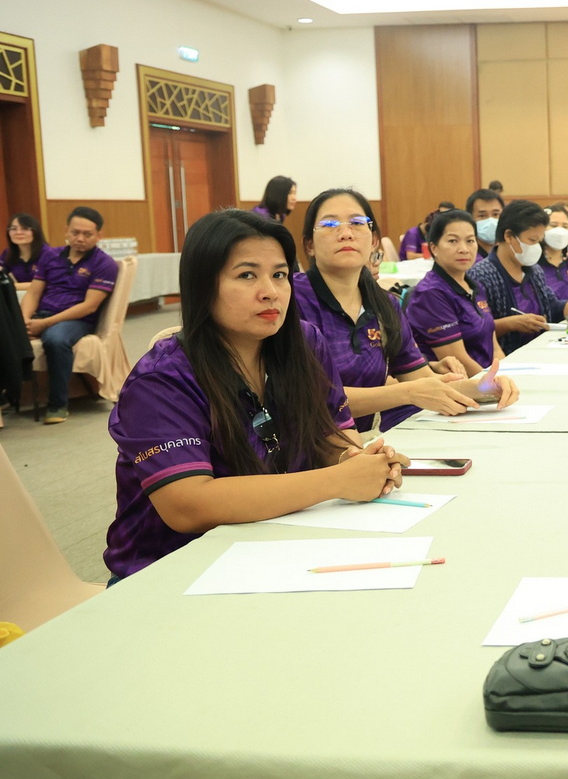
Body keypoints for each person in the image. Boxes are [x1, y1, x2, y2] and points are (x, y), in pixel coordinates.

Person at [103, 209, 410, 582]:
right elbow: (188, 505)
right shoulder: (162, 380)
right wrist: (337, 480)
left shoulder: (305, 343)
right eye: (247, 275)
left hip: (278, 546)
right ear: (203, 285)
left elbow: (328, 432)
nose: (271, 292)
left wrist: (355, 460)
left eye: (279, 275)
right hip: (173, 572)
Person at [292, 189, 515, 435]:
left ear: (373, 240)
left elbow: (422, 381)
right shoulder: (292, 300)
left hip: (367, 441)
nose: (346, 233)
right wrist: (406, 393)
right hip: (306, 446)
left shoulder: (384, 305)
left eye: (357, 223)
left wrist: (482, 389)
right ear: (309, 245)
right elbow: (310, 399)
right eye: (329, 224)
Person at [473, 200, 568, 354]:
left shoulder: (534, 271)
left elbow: (553, 307)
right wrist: (511, 324)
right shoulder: (481, 275)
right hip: (506, 357)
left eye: (539, 241)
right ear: (509, 236)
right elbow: (475, 329)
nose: (536, 247)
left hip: (541, 351)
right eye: (532, 240)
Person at [20, 206, 118, 424]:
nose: (80, 238)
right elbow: (33, 293)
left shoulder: (105, 264)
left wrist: (45, 324)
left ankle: (58, 404)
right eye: (75, 232)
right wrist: (23, 320)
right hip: (43, 314)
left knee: (56, 339)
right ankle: (9, 397)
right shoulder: (50, 256)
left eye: (87, 234)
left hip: (77, 320)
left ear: (99, 235)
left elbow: (89, 306)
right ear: (66, 230)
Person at [405, 209, 504, 375]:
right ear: (434, 248)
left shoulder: (475, 286)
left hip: (488, 379)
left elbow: (495, 349)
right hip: (458, 384)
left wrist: (507, 375)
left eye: (470, 241)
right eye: (453, 241)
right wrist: (492, 384)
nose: (464, 249)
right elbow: (459, 361)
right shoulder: (430, 294)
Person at [1, 213, 49, 290]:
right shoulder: (7, 253)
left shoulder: (48, 254)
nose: (18, 232)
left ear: (35, 231)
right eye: (14, 229)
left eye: (25, 228)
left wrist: (12, 287)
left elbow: (48, 284)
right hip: (18, 295)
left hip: (45, 295)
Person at [465, 188, 506, 259]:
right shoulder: (466, 257)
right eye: (482, 215)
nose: (491, 221)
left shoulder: (511, 255)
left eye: (495, 214)